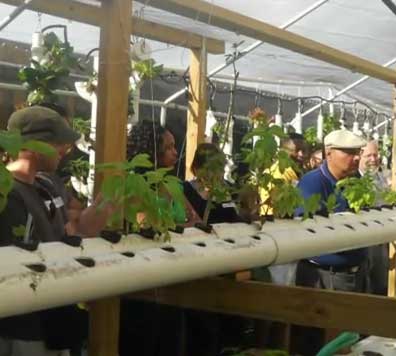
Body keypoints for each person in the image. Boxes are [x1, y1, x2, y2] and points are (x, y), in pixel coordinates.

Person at [0, 106, 85, 356]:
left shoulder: (47, 185)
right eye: (60, 143)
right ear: (36, 145)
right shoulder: (6, 191)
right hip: (19, 329)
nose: (66, 150)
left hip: (52, 322)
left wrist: (106, 205)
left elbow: (72, 232)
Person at [292, 129, 367, 355]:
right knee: (322, 343)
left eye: (358, 152)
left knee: (349, 341)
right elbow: (307, 228)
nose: (356, 157)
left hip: (353, 273)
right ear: (329, 153)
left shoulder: (357, 181)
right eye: (350, 152)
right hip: (324, 276)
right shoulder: (312, 183)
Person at [359, 140, 390, 295]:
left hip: (380, 239)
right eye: (368, 155)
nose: (373, 159)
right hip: (364, 240)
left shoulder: (381, 178)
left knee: (380, 280)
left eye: (375, 155)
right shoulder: (354, 180)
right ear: (359, 156)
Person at [184, 143, 242, 224]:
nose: (220, 173)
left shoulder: (231, 189)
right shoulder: (186, 190)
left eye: (221, 168)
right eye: (210, 169)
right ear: (197, 169)